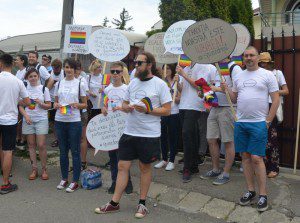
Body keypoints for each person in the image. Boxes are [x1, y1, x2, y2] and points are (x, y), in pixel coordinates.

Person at [95, 52, 172, 219]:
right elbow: (124, 103)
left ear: (149, 65)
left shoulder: (160, 84)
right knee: (122, 166)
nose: (135, 66)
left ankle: (142, 204)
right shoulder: (133, 82)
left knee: (145, 168)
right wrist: (126, 107)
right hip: (129, 132)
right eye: (135, 63)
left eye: (139, 63)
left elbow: (167, 110)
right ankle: (114, 203)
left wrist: (148, 110)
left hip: (149, 134)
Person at [222, 46, 280, 212]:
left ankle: (263, 195)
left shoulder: (267, 75)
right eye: (246, 55)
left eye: (251, 55)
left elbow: (275, 100)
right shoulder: (239, 76)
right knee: (245, 157)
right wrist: (226, 88)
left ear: (257, 58)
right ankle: (250, 191)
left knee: (256, 158)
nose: (248, 58)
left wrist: (268, 120)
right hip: (241, 123)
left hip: (259, 123)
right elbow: (235, 97)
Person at [200, 58, 243, 185]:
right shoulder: (216, 67)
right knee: (211, 139)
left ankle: (226, 173)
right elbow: (212, 87)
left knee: (228, 141)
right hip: (215, 107)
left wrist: (218, 89)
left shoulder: (234, 68)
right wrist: (205, 93)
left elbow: (237, 93)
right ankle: (215, 169)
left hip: (229, 108)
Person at [176, 62, 216, 183]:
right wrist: (177, 82)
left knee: (187, 134)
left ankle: (187, 168)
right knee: (191, 136)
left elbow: (200, 86)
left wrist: (184, 74)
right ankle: (193, 166)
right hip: (183, 105)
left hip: (195, 105)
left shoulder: (206, 67)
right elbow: (182, 89)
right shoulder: (187, 67)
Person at [54, 58, 87, 193]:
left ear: (75, 70)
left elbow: (85, 104)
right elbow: (55, 101)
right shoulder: (59, 83)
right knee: (62, 152)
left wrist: (76, 105)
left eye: (70, 68)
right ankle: (64, 178)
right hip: (60, 120)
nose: (68, 70)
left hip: (74, 121)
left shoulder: (80, 84)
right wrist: (55, 105)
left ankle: (75, 181)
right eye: (66, 67)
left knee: (75, 151)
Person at [101, 61, 133, 194]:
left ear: (122, 73)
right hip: (111, 129)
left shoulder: (127, 89)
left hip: (124, 128)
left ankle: (128, 182)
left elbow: (132, 109)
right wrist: (103, 108)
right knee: (113, 158)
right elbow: (104, 104)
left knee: (124, 158)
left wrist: (123, 108)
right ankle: (115, 182)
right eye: (112, 71)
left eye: (117, 72)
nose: (115, 74)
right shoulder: (107, 89)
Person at [0, 54, 30, 194]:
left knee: (1, 148)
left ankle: (4, 172)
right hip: (9, 121)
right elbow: (28, 102)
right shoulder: (17, 81)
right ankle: (5, 183)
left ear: (1, 64)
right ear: (11, 64)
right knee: (8, 151)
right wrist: (17, 102)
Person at [258, 52, 289, 178]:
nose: (263, 64)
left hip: (272, 106)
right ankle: (262, 167)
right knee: (261, 137)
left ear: (269, 62)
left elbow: (286, 91)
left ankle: (273, 167)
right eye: (261, 62)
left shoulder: (277, 73)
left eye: (265, 62)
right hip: (259, 107)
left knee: (272, 138)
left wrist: (272, 91)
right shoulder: (257, 74)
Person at [19, 68, 51, 180]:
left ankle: (44, 169)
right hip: (28, 120)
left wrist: (41, 103)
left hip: (41, 119)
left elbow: (49, 105)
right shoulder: (24, 89)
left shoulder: (44, 89)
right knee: (31, 145)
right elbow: (20, 106)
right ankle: (34, 169)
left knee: (41, 145)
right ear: (27, 78)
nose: (33, 78)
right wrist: (26, 116)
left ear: (38, 76)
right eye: (30, 76)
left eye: (35, 76)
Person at [154, 63, 181, 171]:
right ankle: (164, 159)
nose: (166, 70)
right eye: (164, 68)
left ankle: (172, 160)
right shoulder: (161, 83)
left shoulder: (176, 81)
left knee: (173, 137)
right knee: (163, 137)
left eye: (169, 68)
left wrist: (171, 95)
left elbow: (179, 99)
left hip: (174, 113)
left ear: (173, 69)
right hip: (163, 113)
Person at [75, 59, 89, 170]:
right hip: (70, 112)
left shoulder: (82, 81)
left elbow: (86, 99)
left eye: (76, 69)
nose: (74, 71)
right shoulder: (65, 80)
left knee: (82, 138)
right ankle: (75, 162)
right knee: (73, 138)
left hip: (81, 112)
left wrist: (76, 102)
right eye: (70, 68)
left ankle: (83, 161)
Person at [49, 59, 65, 148]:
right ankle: (57, 139)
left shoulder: (64, 73)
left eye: (57, 69)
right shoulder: (49, 73)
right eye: (54, 68)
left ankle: (64, 139)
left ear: (60, 68)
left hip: (63, 102)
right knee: (52, 121)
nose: (55, 70)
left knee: (64, 119)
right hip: (52, 101)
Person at [15, 54, 29, 149]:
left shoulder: (26, 71)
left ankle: (23, 139)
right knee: (18, 119)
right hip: (17, 100)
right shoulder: (18, 72)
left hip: (24, 100)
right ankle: (18, 137)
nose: (15, 61)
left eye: (17, 60)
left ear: (22, 61)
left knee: (23, 119)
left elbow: (27, 86)